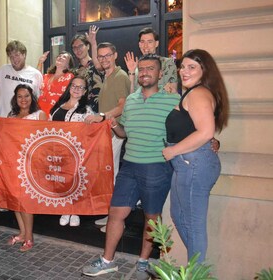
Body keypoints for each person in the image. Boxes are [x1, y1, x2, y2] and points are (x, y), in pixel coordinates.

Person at [82, 54, 180, 277]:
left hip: (157, 167)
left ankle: (143, 263)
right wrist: (115, 126)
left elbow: (190, 127)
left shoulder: (173, 100)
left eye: (150, 69)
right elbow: (125, 133)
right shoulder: (132, 100)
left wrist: (211, 140)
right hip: (130, 165)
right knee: (116, 213)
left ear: (160, 74)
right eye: (142, 69)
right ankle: (108, 260)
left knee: (151, 217)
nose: (145, 72)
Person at [162, 49, 229, 263]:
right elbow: (200, 130)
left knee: (193, 223)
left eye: (192, 67)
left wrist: (173, 150)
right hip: (187, 163)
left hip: (193, 163)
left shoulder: (199, 93)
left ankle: (195, 272)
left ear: (204, 70)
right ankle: (195, 266)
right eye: (182, 66)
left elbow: (206, 132)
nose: (184, 71)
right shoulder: (194, 93)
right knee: (179, 215)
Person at [85, 26, 131, 232]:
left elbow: (123, 106)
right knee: (106, 175)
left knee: (112, 175)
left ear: (115, 56)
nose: (103, 60)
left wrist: (102, 116)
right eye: (101, 57)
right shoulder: (107, 75)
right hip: (105, 132)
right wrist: (93, 42)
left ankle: (116, 220)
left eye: (107, 56)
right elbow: (95, 62)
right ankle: (109, 214)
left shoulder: (120, 77)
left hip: (114, 132)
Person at [6, 84, 47, 252]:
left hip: (31, 164)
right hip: (14, 162)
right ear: (15, 99)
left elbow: (46, 138)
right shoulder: (11, 116)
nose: (23, 100)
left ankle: (29, 238)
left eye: (27, 96)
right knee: (16, 200)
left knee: (26, 202)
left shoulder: (40, 115)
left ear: (32, 97)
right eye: (20, 96)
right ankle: (22, 233)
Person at [50, 76, 94, 227]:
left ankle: (75, 210)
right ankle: (65, 209)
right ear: (69, 87)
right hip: (57, 150)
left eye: (80, 87)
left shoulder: (86, 110)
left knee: (75, 180)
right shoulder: (58, 105)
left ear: (85, 91)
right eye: (74, 86)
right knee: (61, 181)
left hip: (76, 152)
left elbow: (92, 130)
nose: (76, 89)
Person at [0, 40, 43, 117]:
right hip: (3, 120)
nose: (14, 59)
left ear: (24, 54)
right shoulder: (4, 70)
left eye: (17, 55)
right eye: (11, 57)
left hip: (26, 121)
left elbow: (38, 99)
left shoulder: (36, 74)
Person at [124, 27, 178, 94]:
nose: (145, 46)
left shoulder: (167, 63)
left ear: (156, 43)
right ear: (139, 44)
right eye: (142, 42)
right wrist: (131, 72)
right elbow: (131, 96)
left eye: (149, 42)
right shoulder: (136, 67)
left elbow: (172, 91)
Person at [70, 30, 104, 113]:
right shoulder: (75, 72)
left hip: (99, 110)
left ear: (88, 46)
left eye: (80, 46)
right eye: (75, 48)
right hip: (81, 112)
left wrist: (93, 43)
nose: (78, 50)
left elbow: (98, 66)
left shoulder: (98, 65)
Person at [37, 51, 75, 116]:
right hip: (39, 113)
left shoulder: (70, 77)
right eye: (59, 56)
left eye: (64, 57)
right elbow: (36, 78)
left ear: (68, 65)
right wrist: (40, 62)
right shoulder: (47, 76)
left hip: (55, 115)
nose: (60, 57)